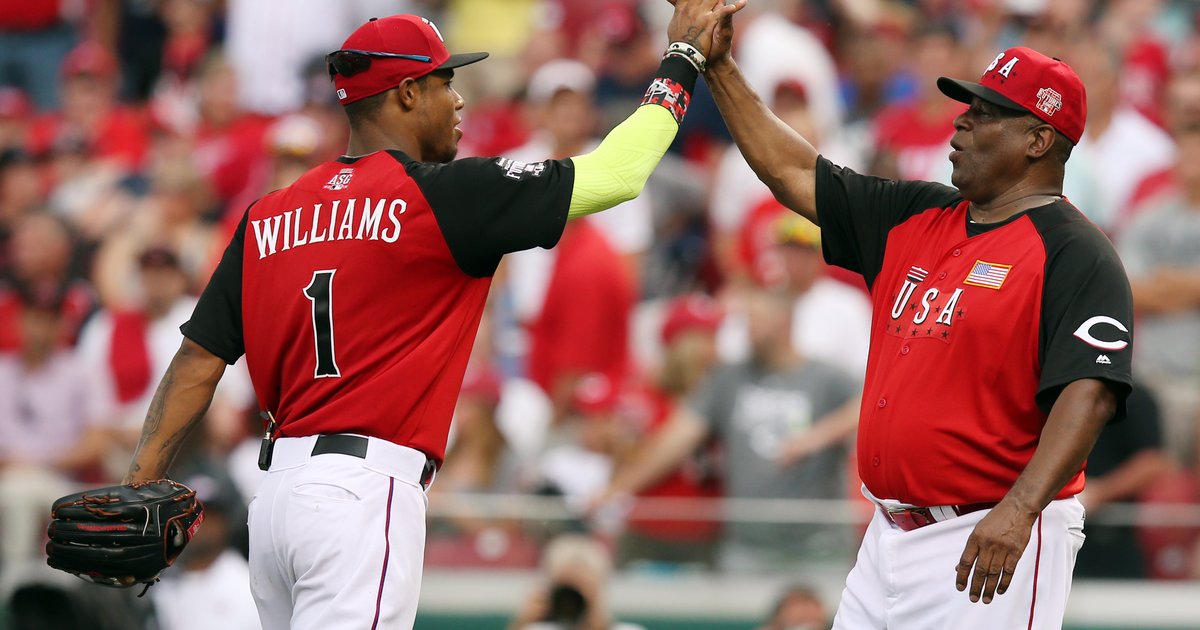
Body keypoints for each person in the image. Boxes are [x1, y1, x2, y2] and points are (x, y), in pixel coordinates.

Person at [107, 4, 745, 629]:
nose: (460, 101)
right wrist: (683, 59)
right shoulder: (442, 197)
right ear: (407, 94)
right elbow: (618, 173)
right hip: (362, 492)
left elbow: (198, 361)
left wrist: (139, 487)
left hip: (274, 502)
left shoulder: (266, 215)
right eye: (446, 82)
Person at [668, 1, 1133, 627]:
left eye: (985, 113)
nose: (961, 122)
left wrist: (1020, 510)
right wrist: (717, 63)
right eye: (966, 106)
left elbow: (1092, 390)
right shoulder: (917, 214)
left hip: (988, 532)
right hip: (888, 533)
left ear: (1038, 139)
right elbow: (794, 171)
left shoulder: (1076, 251)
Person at [597, 287, 861, 572]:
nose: (747, 328)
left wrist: (817, 437)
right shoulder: (730, 378)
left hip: (818, 546)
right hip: (747, 546)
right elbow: (677, 438)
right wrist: (616, 488)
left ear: (783, 320)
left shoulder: (825, 376)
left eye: (755, 318)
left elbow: (870, 402)